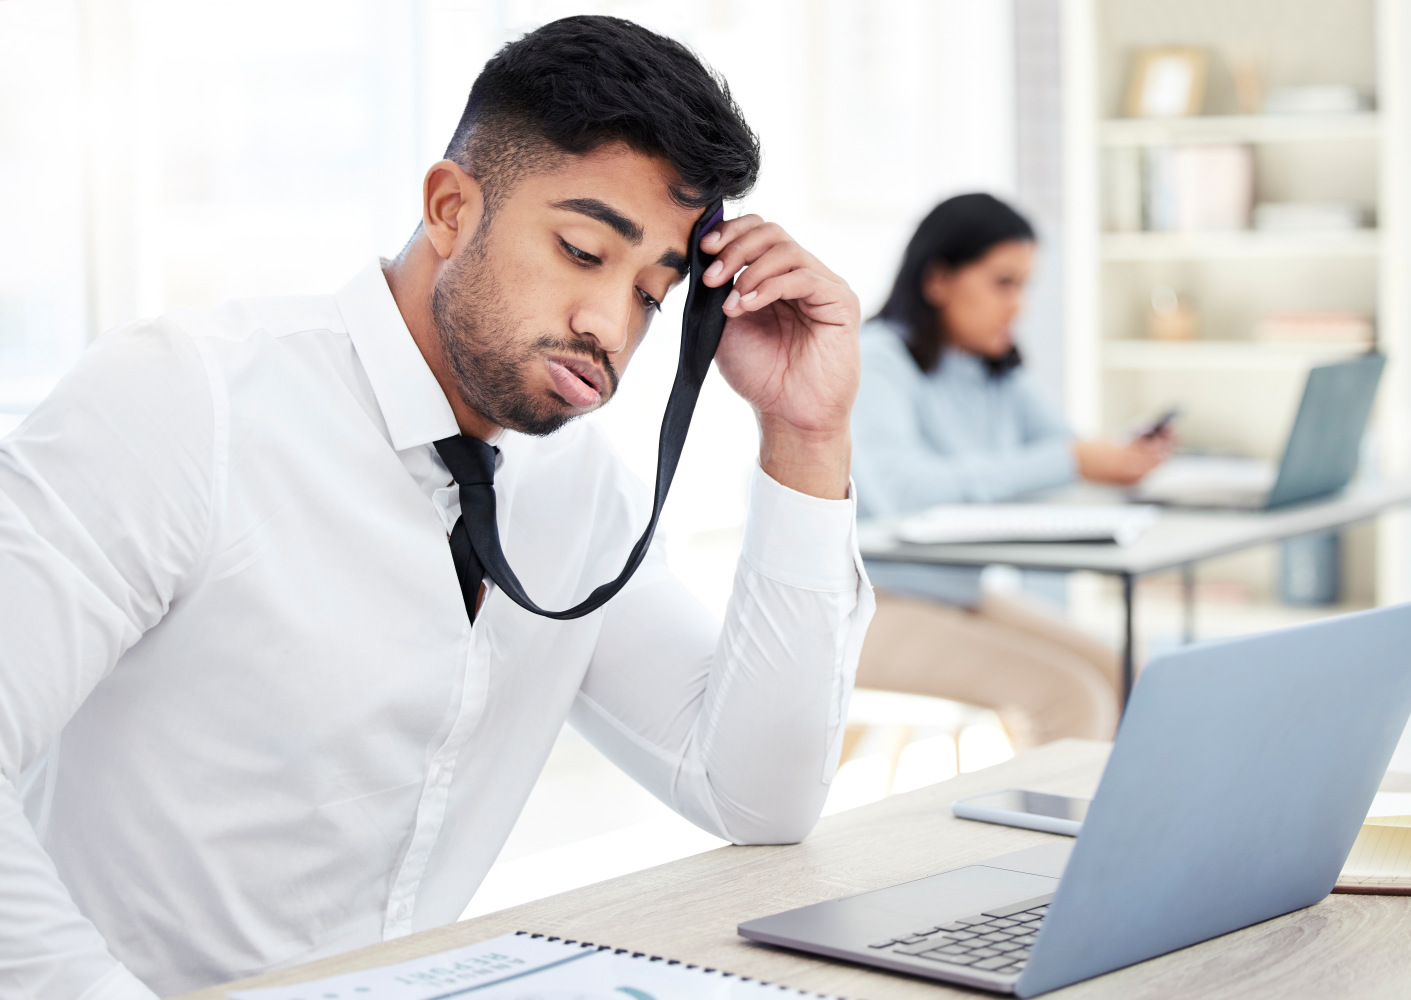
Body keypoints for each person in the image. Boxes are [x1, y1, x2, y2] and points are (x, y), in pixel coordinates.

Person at [0, 18, 871, 999]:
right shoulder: (183, 404)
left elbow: (757, 791)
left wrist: (807, 432)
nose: (609, 326)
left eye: (652, 295)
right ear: (451, 209)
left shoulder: (580, 492)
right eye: (583, 250)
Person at [850, 193, 1170, 749]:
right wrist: (1072, 460)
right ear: (938, 280)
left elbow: (1066, 449)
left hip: (955, 593)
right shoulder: (876, 360)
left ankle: (1125, 830)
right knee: (1071, 699)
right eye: (1004, 283)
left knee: (1135, 677)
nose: (1018, 305)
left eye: (1025, 286)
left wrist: (1117, 457)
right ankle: (1052, 837)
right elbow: (905, 493)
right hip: (870, 606)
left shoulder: (992, 366)